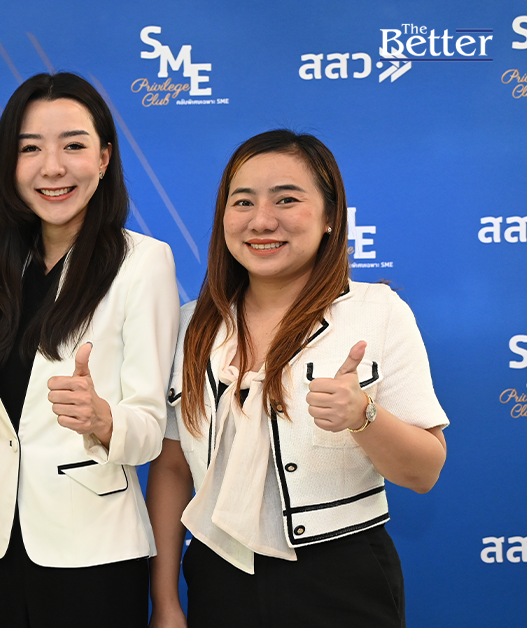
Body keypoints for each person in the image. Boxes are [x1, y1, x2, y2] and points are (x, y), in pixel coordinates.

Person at [146, 130, 449, 628]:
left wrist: (364, 416)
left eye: (286, 199)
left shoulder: (378, 311)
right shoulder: (189, 325)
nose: (262, 220)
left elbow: (425, 472)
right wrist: (165, 601)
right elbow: (174, 468)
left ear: (331, 217)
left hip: (342, 577)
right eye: (243, 202)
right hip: (218, 576)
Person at [0, 72, 180, 628]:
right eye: (30, 149)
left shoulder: (143, 263)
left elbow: (150, 428)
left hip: (94, 553)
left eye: (73, 146)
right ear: (9, 164)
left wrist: (103, 419)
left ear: (104, 158)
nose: (52, 167)